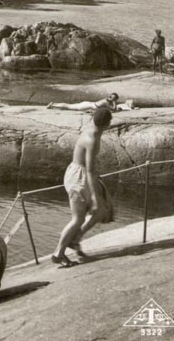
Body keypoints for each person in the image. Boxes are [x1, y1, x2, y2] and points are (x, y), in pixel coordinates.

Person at [51, 108, 113, 268]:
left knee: (101, 211)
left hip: (80, 174)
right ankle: (58, 253)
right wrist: (95, 196)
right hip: (79, 177)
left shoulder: (93, 130)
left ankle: (75, 240)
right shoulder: (92, 138)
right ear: (107, 124)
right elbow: (90, 170)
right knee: (78, 218)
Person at [47, 93, 119, 112]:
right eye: (115, 99)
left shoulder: (106, 99)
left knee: (69, 105)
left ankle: (54, 105)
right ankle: (52, 105)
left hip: (87, 104)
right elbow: (114, 109)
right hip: (86, 106)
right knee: (68, 106)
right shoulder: (107, 102)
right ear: (114, 99)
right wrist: (115, 103)